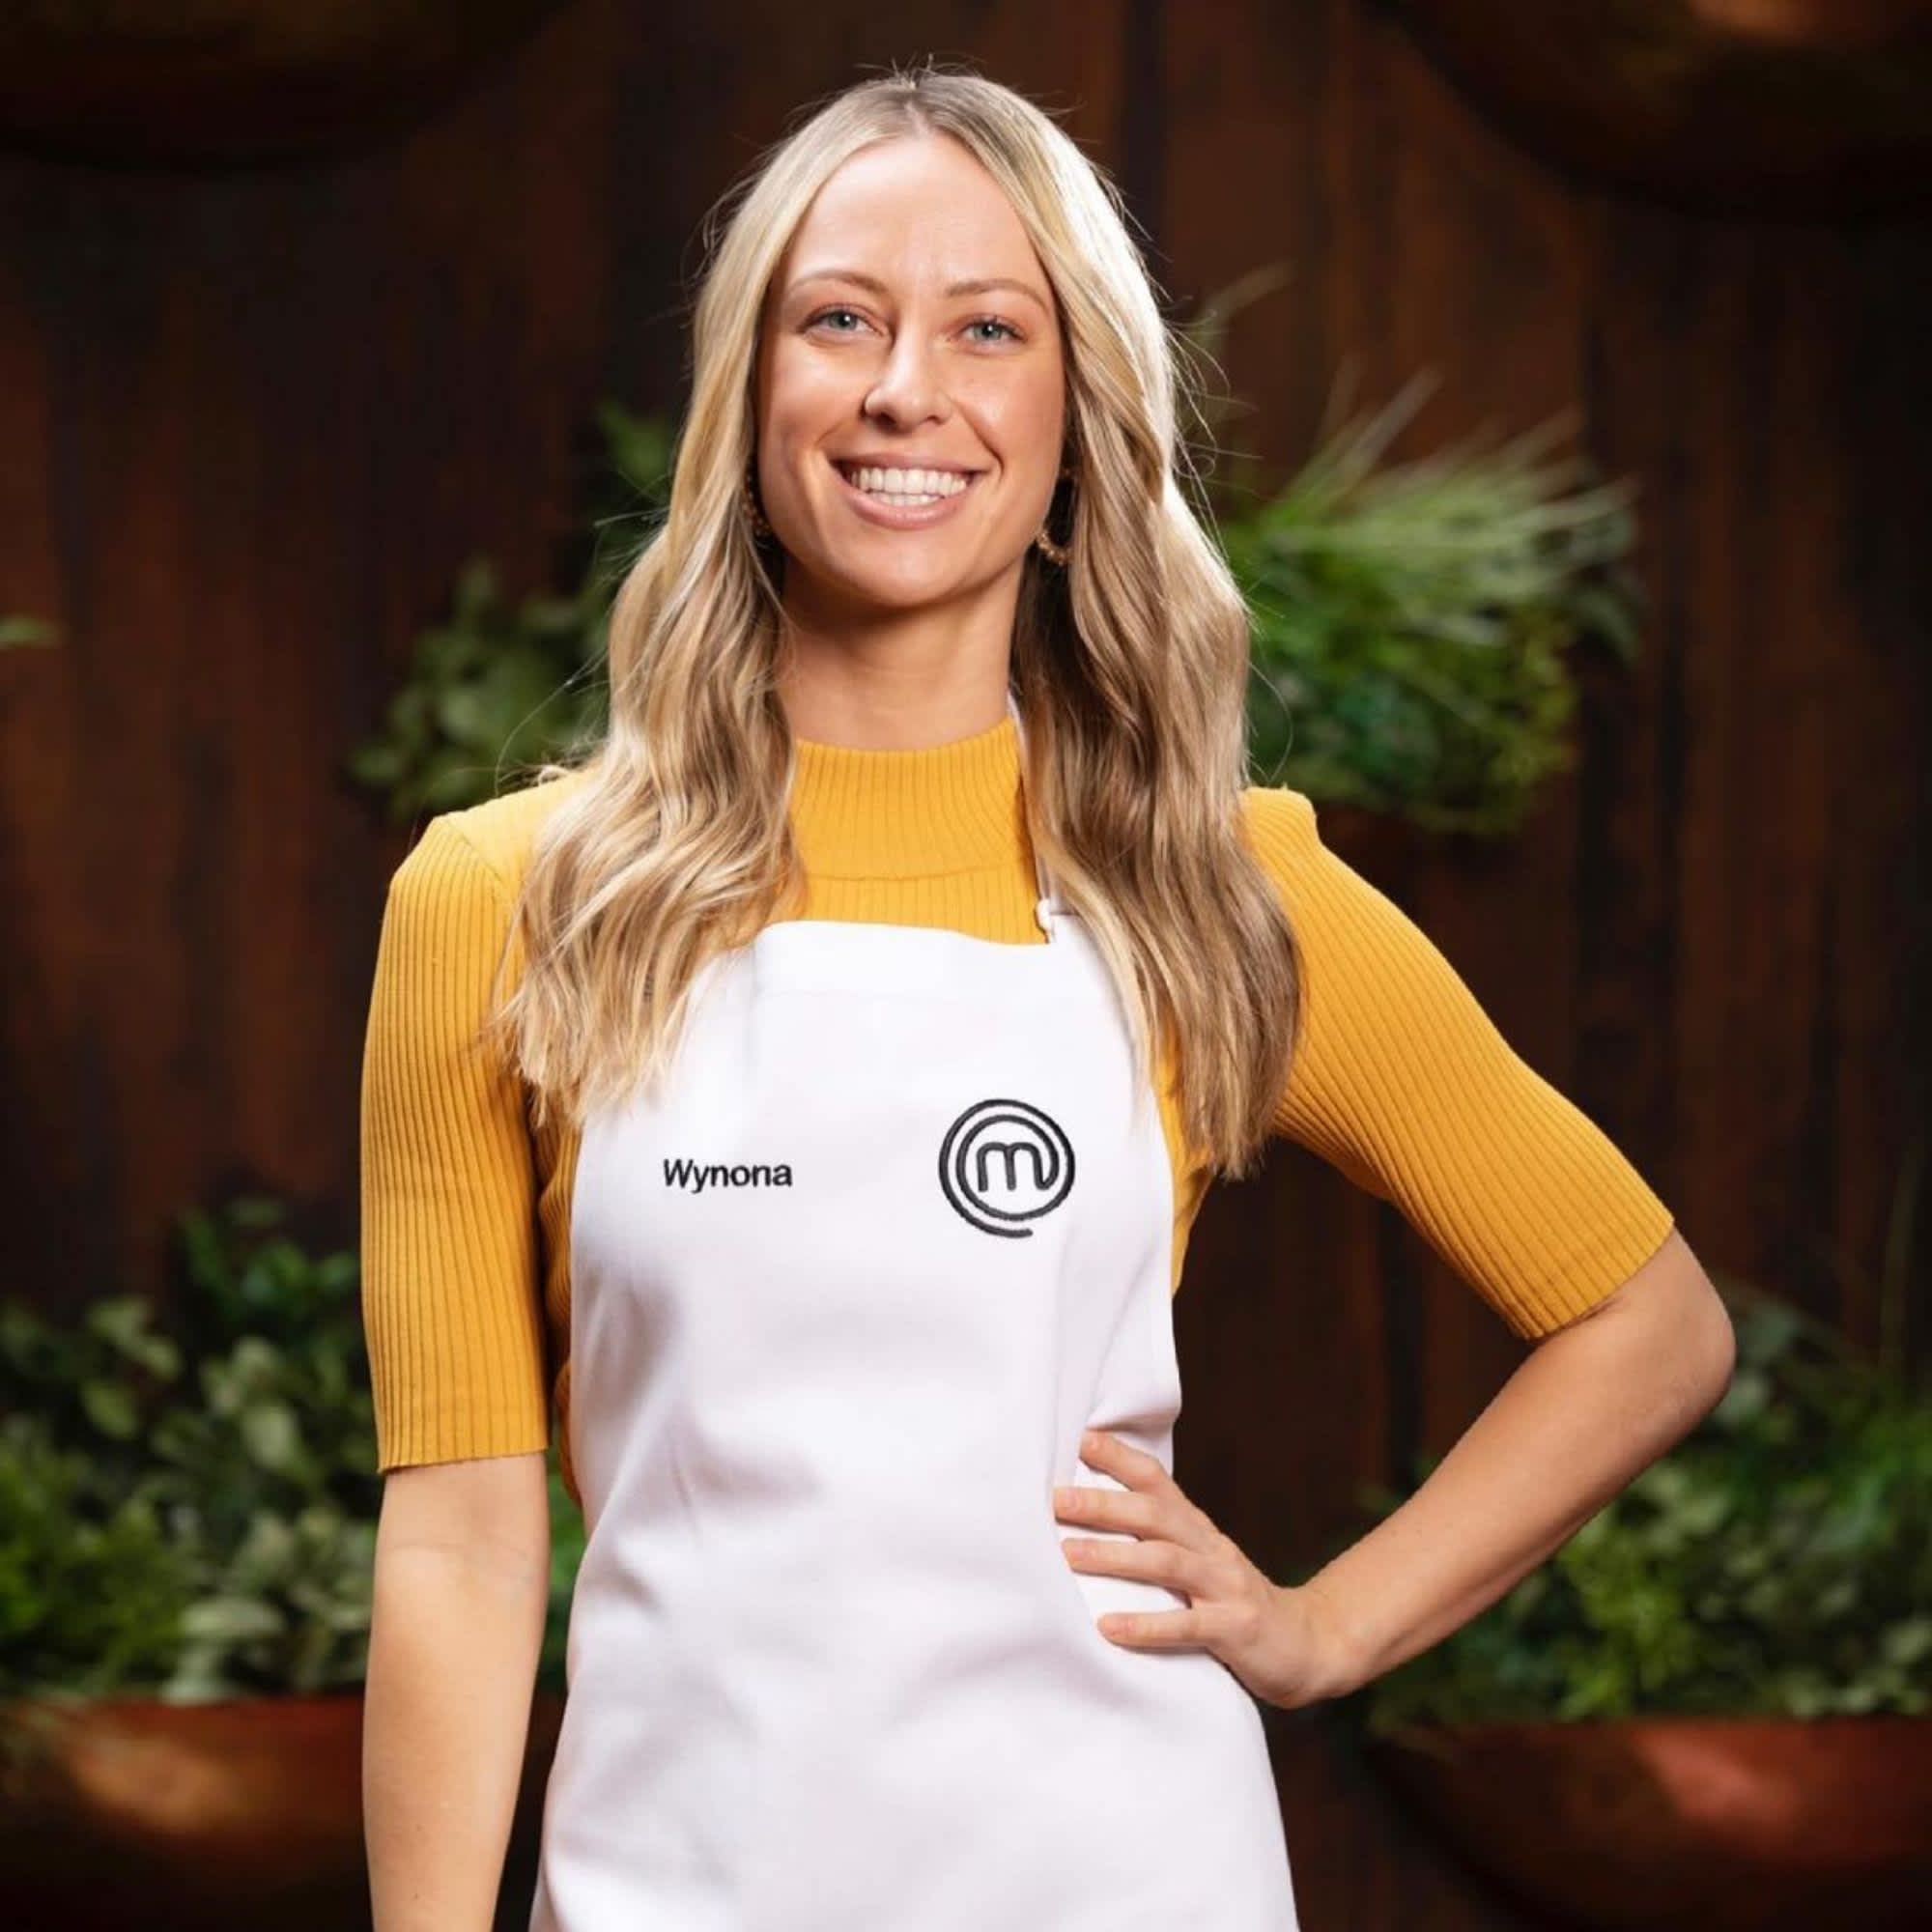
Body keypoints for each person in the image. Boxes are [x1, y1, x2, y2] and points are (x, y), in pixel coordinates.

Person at [356, 61, 1735, 1932]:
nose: (904, 389)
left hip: (1125, 1876)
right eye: (840, 319)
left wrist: (1326, 1627)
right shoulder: (508, 902)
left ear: (1077, 423)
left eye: (988, 329)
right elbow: (459, 1540)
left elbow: (1648, 1327)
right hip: (673, 1885)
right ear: (748, 395)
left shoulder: (1215, 895)